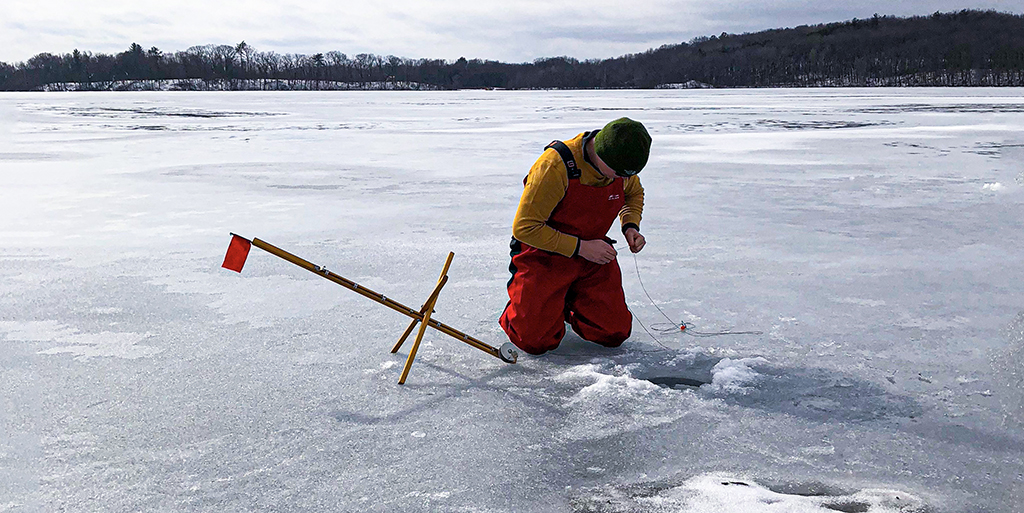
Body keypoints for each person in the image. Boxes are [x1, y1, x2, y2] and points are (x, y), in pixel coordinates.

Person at [499, 117, 650, 355]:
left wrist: (630, 225)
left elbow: (634, 194)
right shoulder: (555, 166)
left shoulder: (622, 169)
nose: (621, 179)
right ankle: (529, 307)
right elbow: (525, 228)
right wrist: (580, 247)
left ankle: (567, 302)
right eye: (618, 173)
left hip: (593, 255)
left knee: (613, 333)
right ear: (601, 154)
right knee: (533, 341)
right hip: (543, 254)